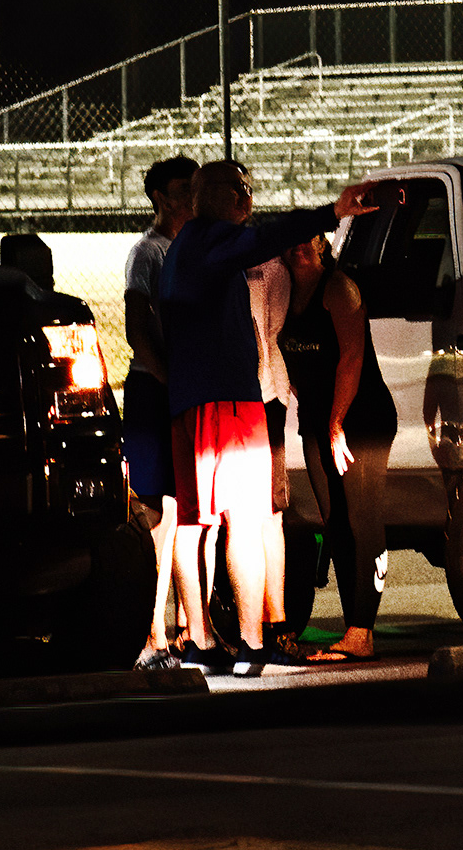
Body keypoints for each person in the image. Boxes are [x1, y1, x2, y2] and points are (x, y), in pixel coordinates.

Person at [159, 161, 379, 675]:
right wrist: (332, 211)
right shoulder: (215, 243)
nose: (248, 199)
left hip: (187, 408)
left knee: (194, 526)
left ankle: (199, 642)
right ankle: (254, 643)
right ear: (209, 195)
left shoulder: (178, 253)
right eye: (240, 190)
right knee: (248, 520)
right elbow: (263, 240)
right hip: (231, 405)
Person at [278, 227, 399, 662]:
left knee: (361, 516)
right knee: (335, 520)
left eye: (306, 239)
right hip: (318, 419)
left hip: (359, 417)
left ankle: (363, 630)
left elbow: (352, 357)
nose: (296, 246)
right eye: (290, 240)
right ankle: (352, 629)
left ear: (323, 246)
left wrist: (336, 423)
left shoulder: (339, 289)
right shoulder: (283, 291)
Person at [122, 154, 198, 667]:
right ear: (160, 199)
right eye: (182, 191)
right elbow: (135, 325)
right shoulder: (148, 253)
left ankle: (190, 626)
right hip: (155, 391)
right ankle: (152, 633)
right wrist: (168, 377)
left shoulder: (193, 249)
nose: (191, 200)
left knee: (184, 512)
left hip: (184, 390)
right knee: (157, 514)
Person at [247, 243, 297, 661]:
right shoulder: (264, 266)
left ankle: (274, 622)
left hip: (262, 393)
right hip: (255, 392)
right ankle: (263, 624)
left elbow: (271, 332)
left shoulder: (266, 267)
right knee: (255, 517)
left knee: (267, 513)